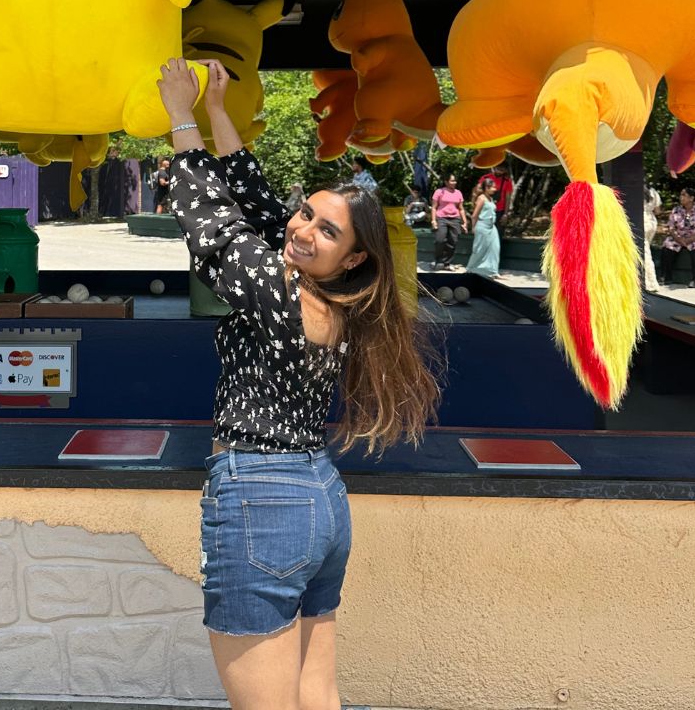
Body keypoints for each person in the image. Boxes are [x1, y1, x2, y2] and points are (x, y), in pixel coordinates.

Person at [157, 57, 439, 710]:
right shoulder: (329, 304)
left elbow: (212, 230)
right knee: (316, 695)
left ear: (356, 256)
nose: (304, 229)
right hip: (318, 500)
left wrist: (180, 115)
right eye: (307, 213)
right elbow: (258, 211)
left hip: (264, 501)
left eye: (327, 229)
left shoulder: (282, 294)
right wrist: (220, 113)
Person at [659, 186, 695, 288]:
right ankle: (666, 277)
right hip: (680, 237)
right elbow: (671, 227)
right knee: (668, 243)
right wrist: (678, 238)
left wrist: (691, 239)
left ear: (691, 198)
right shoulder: (676, 210)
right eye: (680, 195)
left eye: (684, 195)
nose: (681, 197)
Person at [430, 173, 468, 269]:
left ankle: (447, 263)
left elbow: (461, 208)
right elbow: (434, 207)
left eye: (455, 180)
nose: (454, 182)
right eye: (452, 180)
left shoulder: (458, 193)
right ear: (446, 182)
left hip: (455, 219)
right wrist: (433, 220)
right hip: (441, 218)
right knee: (440, 239)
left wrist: (465, 222)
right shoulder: (439, 192)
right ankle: (438, 260)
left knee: (453, 241)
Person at [467, 178, 500, 278]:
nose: (495, 189)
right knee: (479, 248)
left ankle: (492, 271)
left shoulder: (490, 198)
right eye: (493, 187)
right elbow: (474, 215)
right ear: (487, 187)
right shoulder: (481, 198)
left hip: (492, 227)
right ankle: (470, 268)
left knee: (495, 248)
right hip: (482, 226)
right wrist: (473, 227)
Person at [476, 162, 513, 232]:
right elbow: (477, 192)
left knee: (498, 233)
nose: (499, 171)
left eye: (502, 170)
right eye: (498, 169)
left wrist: (505, 214)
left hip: (499, 211)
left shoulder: (507, 181)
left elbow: (508, 198)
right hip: (485, 209)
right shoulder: (485, 178)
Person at [642, 185, 662, 292]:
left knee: (645, 253)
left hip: (642, 221)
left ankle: (650, 282)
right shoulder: (653, 191)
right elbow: (658, 210)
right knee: (646, 250)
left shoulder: (635, 190)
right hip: (652, 222)